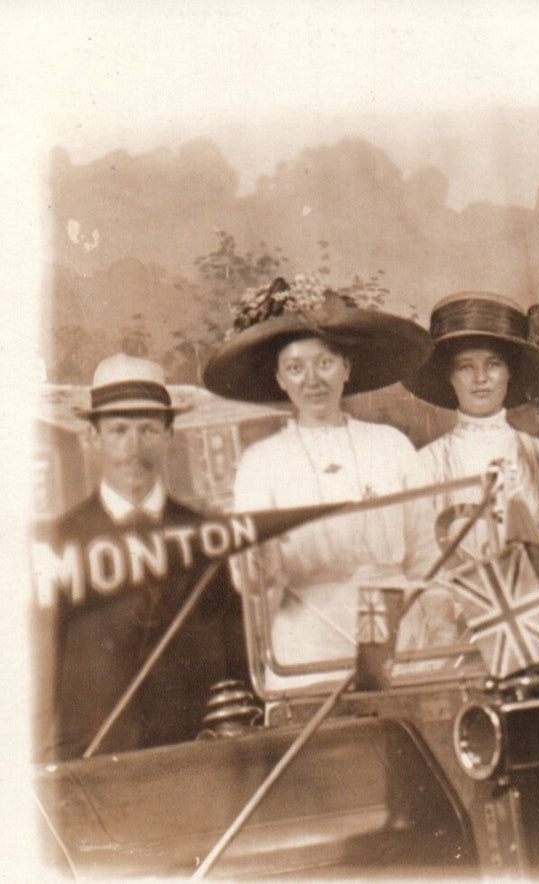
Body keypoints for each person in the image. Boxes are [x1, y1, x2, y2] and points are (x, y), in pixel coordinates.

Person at [204, 277, 438, 671]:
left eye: (325, 363)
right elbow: (250, 580)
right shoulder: (261, 463)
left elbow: (428, 552)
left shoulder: (391, 445)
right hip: (308, 646)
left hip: (399, 638)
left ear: (346, 368)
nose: (312, 380)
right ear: (280, 379)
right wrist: (256, 555)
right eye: (295, 368)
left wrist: (437, 629)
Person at [44, 354, 246, 760]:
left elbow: (234, 659)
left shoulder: (206, 537)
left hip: (194, 758)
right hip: (93, 763)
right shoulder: (56, 543)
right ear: (93, 437)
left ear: (170, 435)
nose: (134, 449)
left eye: (149, 430)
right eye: (118, 431)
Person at [405, 292, 539, 555]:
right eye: (465, 367)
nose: (480, 378)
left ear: (510, 372)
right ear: (449, 376)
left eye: (493, 365)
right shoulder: (424, 465)